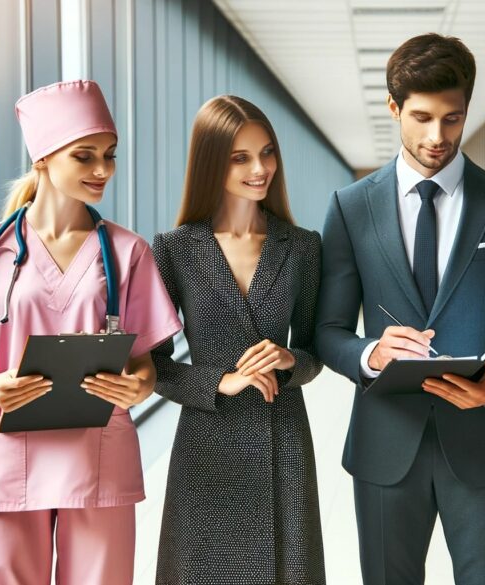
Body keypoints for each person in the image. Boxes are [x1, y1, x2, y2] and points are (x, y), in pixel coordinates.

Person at [315, 33, 485, 585]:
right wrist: (371, 353)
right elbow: (326, 330)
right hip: (384, 444)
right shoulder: (350, 208)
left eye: (452, 119)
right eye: (421, 117)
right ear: (394, 107)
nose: (437, 136)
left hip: (484, 442)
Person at [0, 80, 183, 584]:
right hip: (8, 462)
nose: (102, 170)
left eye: (109, 155)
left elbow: (146, 366)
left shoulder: (128, 253)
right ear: (42, 157)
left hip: (98, 461)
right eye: (84, 156)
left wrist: (140, 385)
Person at [150, 95, 325, 585]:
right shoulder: (174, 248)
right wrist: (218, 383)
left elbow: (314, 354)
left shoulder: (304, 245)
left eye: (267, 152)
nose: (260, 168)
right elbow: (153, 365)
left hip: (282, 439)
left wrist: (291, 359)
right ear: (211, 162)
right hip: (207, 445)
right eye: (241, 157)